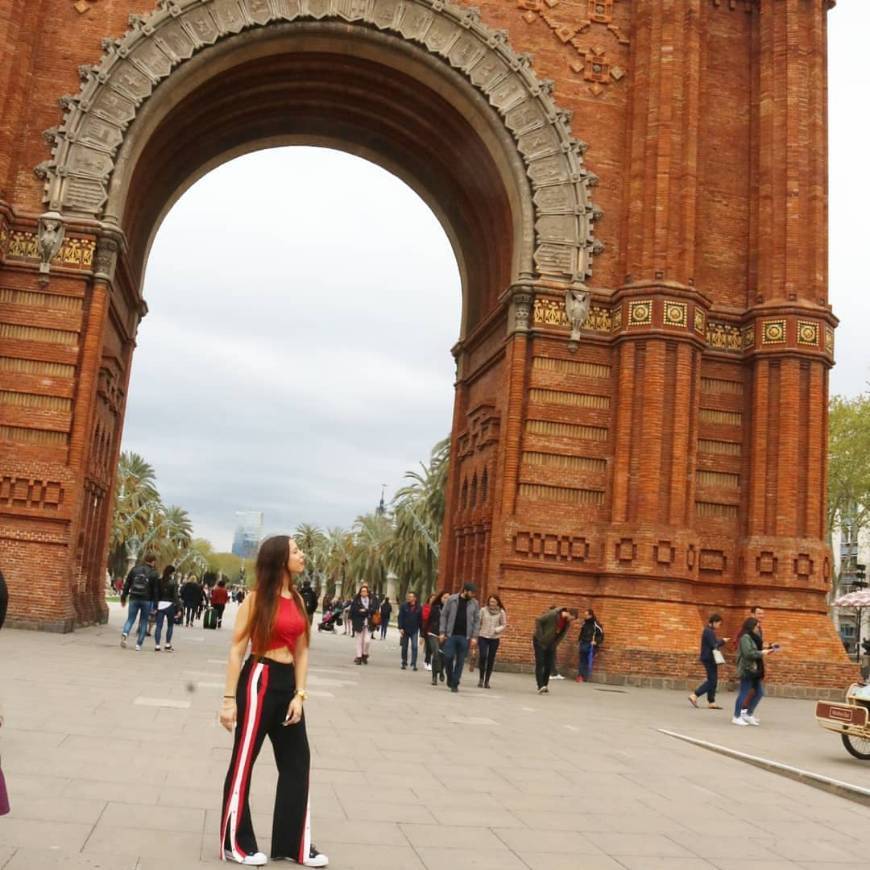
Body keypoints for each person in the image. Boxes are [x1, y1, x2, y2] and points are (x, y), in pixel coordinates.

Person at [218, 535, 328, 867]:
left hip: (287, 685)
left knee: (298, 762)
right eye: (296, 551)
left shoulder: (297, 598)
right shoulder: (255, 599)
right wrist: (228, 700)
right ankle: (235, 843)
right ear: (281, 560)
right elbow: (237, 649)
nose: (302, 555)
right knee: (244, 761)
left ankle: (293, 845)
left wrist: (300, 693)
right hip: (258, 681)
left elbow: (303, 649)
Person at [438, 583, 481, 693]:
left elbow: (477, 620)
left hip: (465, 636)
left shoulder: (474, 603)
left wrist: (474, 637)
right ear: (465, 591)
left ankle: (455, 683)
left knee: (460, 661)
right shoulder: (452, 599)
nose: (473, 595)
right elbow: (444, 615)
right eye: (471, 593)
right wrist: (442, 632)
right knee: (448, 657)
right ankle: (450, 676)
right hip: (451, 635)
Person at [733, 616, 774, 726]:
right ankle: (736, 716)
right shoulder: (745, 637)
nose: (758, 628)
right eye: (756, 626)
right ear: (751, 626)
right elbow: (748, 653)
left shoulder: (754, 637)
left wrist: (768, 649)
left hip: (756, 669)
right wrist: (762, 653)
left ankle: (748, 714)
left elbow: (757, 649)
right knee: (744, 692)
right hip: (747, 669)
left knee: (759, 692)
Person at [533, 606, 578, 694]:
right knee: (540, 662)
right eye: (572, 618)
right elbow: (538, 620)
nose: (571, 620)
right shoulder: (553, 614)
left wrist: (555, 644)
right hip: (540, 641)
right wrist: (541, 635)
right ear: (569, 613)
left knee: (549, 664)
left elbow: (561, 635)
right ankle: (540, 685)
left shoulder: (566, 623)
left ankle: (545, 685)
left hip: (551, 643)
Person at [688, 613, 728, 709]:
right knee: (712, 681)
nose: (719, 626)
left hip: (710, 658)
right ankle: (695, 695)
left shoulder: (709, 631)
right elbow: (714, 644)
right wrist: (723, 641)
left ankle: (711, 701)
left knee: (713, 680)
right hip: (709, 658)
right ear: (713, 622)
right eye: (718, 624)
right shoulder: (708, 631)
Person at [120, 554, 159, 651]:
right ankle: (138, 644)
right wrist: (155, 604)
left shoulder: (134, 569)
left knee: (130, 619)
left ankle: (125, 633)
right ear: (153, 561)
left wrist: (124, 597)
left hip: (134, 597)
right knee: (144, 621)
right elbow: (155, 590)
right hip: (147, 600)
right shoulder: (154, 573)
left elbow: (127, 584)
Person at [477, 595, 507, 689]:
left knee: (491, 658)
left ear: (497, 602)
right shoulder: (483, 610)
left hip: (494, 637)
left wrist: (497, 629)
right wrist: (476, 631)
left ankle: (487, 681)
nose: (492, 603)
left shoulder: (501, 612)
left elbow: (504, 624)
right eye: (490, 601)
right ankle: (481, 678)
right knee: (483, 656)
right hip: (483, 636)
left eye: (494, 602)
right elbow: (478, 621)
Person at [154, 565, 180, 652]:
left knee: (158, 626)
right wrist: (179, 608)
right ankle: (167, 644)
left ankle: (157, 645)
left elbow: (156, 594)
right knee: (170, 626)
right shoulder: (173, 582)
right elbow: (175, 596)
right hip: (170, 605)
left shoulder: (159, 581)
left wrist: (156, 605)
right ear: (172, 573)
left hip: (160, 604)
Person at [350, 584, 377, 665]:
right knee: (359, 640)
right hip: (359, 623)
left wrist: (365, 611)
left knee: (367, 641)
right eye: (362, 591)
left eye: (365, 591)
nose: (364, 592)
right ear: (360, 592)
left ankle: (365, 654)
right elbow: (354, 611)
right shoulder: (356, 600)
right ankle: (359, 657)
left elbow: (374, 610)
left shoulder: (372, 600)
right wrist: (362, 611)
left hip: (369, 623)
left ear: (368, 592)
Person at [576, 609, 604, 683]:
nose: (585, 616)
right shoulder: (584, 623)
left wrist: (596, 642)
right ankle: (580, 676)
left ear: (590, 615)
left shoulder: (596, 625)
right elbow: (581, 633)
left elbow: (601, 635)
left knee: (587, 660)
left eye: (586, 615)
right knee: (582, 660)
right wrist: (579, 640)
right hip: (583, 643)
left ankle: (584, 676)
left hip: (591, 645)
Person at [398, 591, 423, 671]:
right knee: (404, 647)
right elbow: (400, 617)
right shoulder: (404, 606)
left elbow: (420, 621)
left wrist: (422, 634)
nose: (409, 598)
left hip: (414, 630)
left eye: (411, 596)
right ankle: (404, 662)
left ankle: (414, 663)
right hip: (405, 630)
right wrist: (400, 628)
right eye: (408, 596)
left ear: (415, 598)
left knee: (415, 647)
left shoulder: (419, 608)